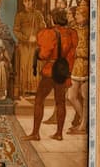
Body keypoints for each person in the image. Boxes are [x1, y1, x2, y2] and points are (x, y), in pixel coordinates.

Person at [28, 8, 77, 141]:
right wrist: (68, 71)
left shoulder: (49, 33)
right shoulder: (72, 33)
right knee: (60, 102)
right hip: (63, 70)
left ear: (53, 19)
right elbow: (72, 55)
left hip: (50, 70)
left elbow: (44, 55)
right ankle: (59, 133)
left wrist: (37, 54)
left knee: (39, 100)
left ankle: (35, 133)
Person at [13, 0, 45, 96]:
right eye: (25, 1)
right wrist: (27, 38)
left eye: (29, 1)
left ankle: (35, 89)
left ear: (32, 1)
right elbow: (16, 31)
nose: (27, 3)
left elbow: (43, 29)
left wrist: (37, 36)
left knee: (34, 65)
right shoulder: (20, 16)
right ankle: (25, 89)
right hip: (24, 46)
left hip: (35, 45)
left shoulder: (38, 14)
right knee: (24, 65)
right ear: (23, 3)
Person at [68, 0, 91, 131]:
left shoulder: (89, 30)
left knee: (84, 95)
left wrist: (77, 51)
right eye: (75, 14)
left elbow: (90, 51)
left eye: (78, 15)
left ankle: (83, 125)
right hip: (76, 65)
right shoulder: (74, 29)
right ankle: (84, 120)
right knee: (71, 96)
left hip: (86, 65)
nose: (76, 17)